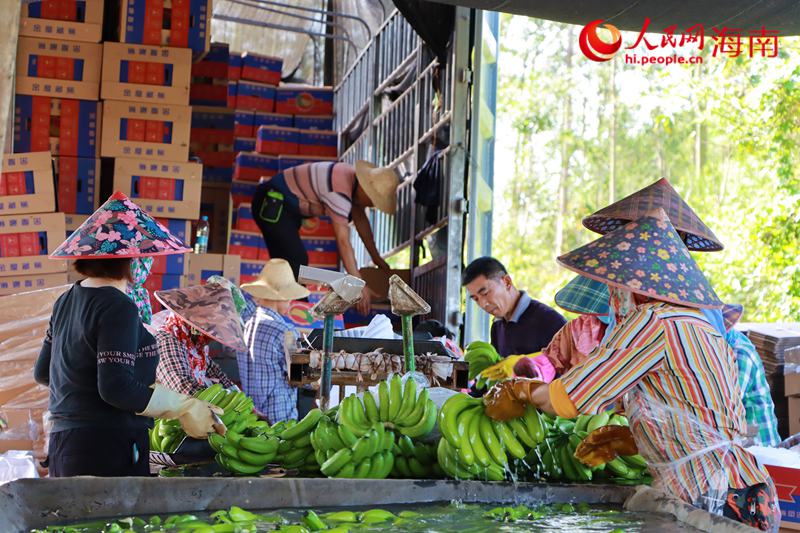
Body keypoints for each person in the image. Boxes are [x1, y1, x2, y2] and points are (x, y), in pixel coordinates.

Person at [485, 209, 778, 531]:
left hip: (712, 497)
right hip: (744, 490)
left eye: (615, 285)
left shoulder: (652, 322)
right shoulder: (699, 324)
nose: (611, 296)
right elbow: (699, 413)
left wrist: (521, 389)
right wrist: (635, 439)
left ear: (636, 287)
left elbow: (570, 398)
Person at [34, 192, 224, 477]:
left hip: (66, 443)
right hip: (105, 447)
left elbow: (44, 372)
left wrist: (78, 398)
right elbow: (116, 387)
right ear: (131, 260)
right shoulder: (117, 305)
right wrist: (181, 406)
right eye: (145, 256)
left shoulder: (67, 299)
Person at [251, 160, 399, 315]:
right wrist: (358, 286)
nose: (369, 206)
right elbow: (343, 241)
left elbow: (362, 223)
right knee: (295, 260)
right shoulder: (340, 191)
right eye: (371, 201)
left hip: (286, 207)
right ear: (365, 189)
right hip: (272, 202)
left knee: (290, 262)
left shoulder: (352, 181)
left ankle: (284, 310)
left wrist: (377, 259)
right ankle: (295, 313)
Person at [237, 259, 310, 423]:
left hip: (251, 415)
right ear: (281, 297)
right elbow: (299, 377)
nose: (291, 301)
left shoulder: (248, 325)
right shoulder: (286, 332)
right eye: (290, 297)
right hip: (279, 416)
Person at [154, 283, 247, 396]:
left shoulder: (196, 346)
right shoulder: (167, 341)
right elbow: (183, 388)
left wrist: (234, 394)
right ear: (195, 326)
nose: (212, 339)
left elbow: (214, 371)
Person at [462, 256, 566, 357]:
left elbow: (573, 369)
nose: (483, 304)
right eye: (476, 299)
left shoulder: (550, 321)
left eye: (485, 293)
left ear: (507, 282)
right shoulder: (497, 326)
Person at [723, 305, 781, 447]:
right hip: (743, 443)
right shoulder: (725, 347)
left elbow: (727, 403)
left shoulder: (739, 353)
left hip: (761, 448)